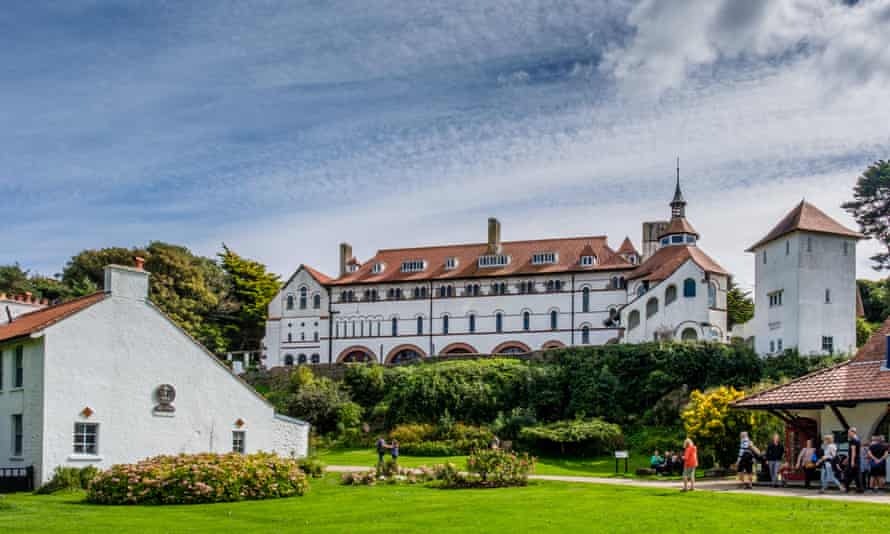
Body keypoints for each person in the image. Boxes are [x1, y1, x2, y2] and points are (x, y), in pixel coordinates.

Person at [845, 427, 864, 494]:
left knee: (848, 474)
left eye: (849, 432)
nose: (848, 434)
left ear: (853, 432)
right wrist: (847, 459)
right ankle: (860, 489)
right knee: (856, 475)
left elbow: (853, 451)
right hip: (856, 459)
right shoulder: (857, 439)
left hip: (854, 460)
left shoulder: (853, 440)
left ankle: (847, 488)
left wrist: (852, 461)